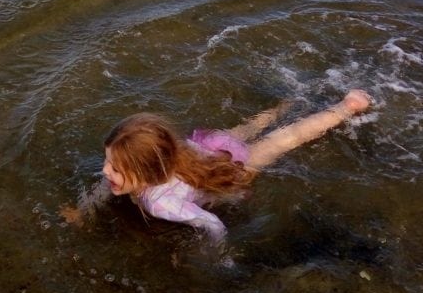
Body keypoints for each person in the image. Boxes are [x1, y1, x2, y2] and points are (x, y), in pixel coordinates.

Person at [61, 89, 372, 244]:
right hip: (205, 149)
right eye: (107, 161)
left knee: (284, 140)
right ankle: (285, 104)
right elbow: (105, 187)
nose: (105, 171)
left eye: (114, 167)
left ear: (147, 173)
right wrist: (83, 211)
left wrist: (214, 255)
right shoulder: (165, 153)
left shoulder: (161, 205)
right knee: (250, 129)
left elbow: (213, 225)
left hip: (231, 169)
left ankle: (345, 108)